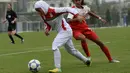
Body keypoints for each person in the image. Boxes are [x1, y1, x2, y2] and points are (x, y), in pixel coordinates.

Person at [34, 1, 91, 73]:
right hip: (63, 32)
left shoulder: (53, 10)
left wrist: (77, 15)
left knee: (55, 46)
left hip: (65, 31)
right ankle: (86, 60)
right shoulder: (43, 15)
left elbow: (67, 9)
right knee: (71, 50)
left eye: (39, 10)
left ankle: (58, 68)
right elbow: (47, 23)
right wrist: (47, 29)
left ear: (43, 7)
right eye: (37, 11)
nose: (38, 12)